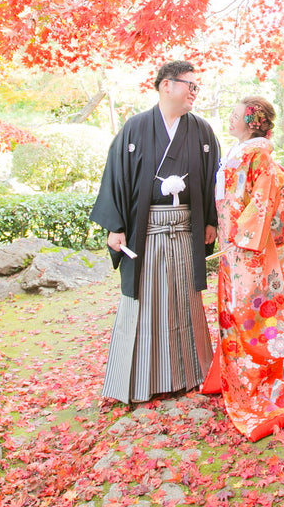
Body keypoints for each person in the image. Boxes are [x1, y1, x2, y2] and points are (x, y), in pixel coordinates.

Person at [91, 61, 221, 402]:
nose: (194, 92)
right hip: (144, 233)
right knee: (144, 302)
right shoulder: (135, 128)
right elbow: (116, 176)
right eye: (189, 85)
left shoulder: (202, 131)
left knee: (184, 299)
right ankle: (140, 381)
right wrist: (116, 226)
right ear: (166, 85)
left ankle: (191, 374)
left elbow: (211, 181)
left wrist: (211, 221)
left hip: (185, 231)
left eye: (196, 86)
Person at [200, 96, 284, 441]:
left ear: (251, 122)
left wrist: (242, 239)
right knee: (233, 313)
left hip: (247, 251)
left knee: (251, 314)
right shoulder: (240, 152)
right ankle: (239, 378)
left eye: (235, 116)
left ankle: (261, 379)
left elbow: (265, 199)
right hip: (233, 250)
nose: (230, 120)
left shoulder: (259, 155)